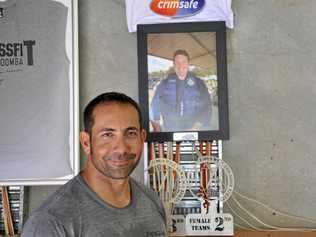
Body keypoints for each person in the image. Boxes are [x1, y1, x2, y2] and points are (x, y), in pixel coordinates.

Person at [22, 92, 167, 237]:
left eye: (130, 133)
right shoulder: (50, 222)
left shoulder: (152, 201)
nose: (121, 148)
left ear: (142, 138)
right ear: (86, 142)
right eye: (108, 135)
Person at [150, 49, 212, 132]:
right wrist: (156, 123)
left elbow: (207, 106)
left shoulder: (199, 84)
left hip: (193, 129)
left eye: (184, 62)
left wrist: (197, 126)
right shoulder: (164, 83)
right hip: (170, 129)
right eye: (177, 62)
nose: (180, 65)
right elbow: (155, 102)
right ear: (174, 65)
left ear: (188, 64)